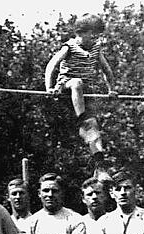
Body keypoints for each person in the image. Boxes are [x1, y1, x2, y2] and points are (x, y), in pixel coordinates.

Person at [44, 14, 118, 167]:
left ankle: (99, 162)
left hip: (84, 92)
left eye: (97, 35)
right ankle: (81, 120)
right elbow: (51, 66)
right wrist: (49, 88)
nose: (95, 38)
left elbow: (107, 70)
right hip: (67, 85)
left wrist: (112, 90)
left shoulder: (96, 49)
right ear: (80, 32)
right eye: (92, 34)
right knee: (77, 83)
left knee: (93, 128)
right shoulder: (69, 46)